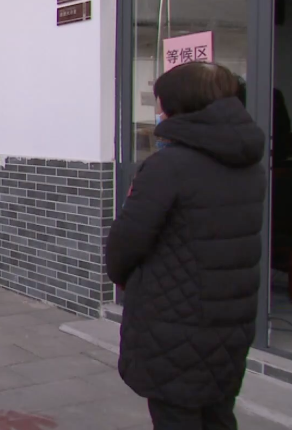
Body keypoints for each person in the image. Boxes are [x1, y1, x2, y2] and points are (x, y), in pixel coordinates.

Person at [106, 62, 265, 430]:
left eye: (160, 103)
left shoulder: (168, 166)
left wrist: (124, 278)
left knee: (177, 416)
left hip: (174, 322)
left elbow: (125, 245)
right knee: (218, 413)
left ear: (179, 105)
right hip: (231, 319)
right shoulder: (250, 165)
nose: (158, 111)